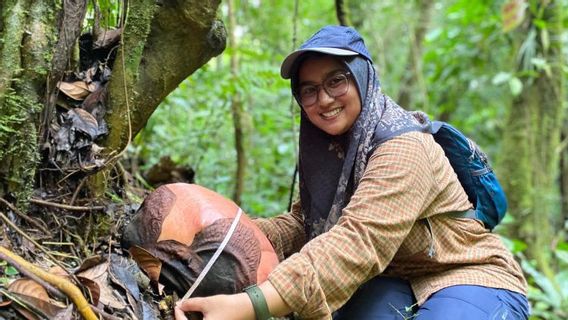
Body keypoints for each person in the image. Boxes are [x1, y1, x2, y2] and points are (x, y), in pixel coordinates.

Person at [175, 25, 530, 320]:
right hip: (392, 277)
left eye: (336, 81)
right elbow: (302, 226)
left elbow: (357, 242)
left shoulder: (405, 148)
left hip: (469, 273)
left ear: (362, 79)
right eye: (309, 90)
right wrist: (224, 232)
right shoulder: (336, 152)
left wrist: (250, 306)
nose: (324, 99)